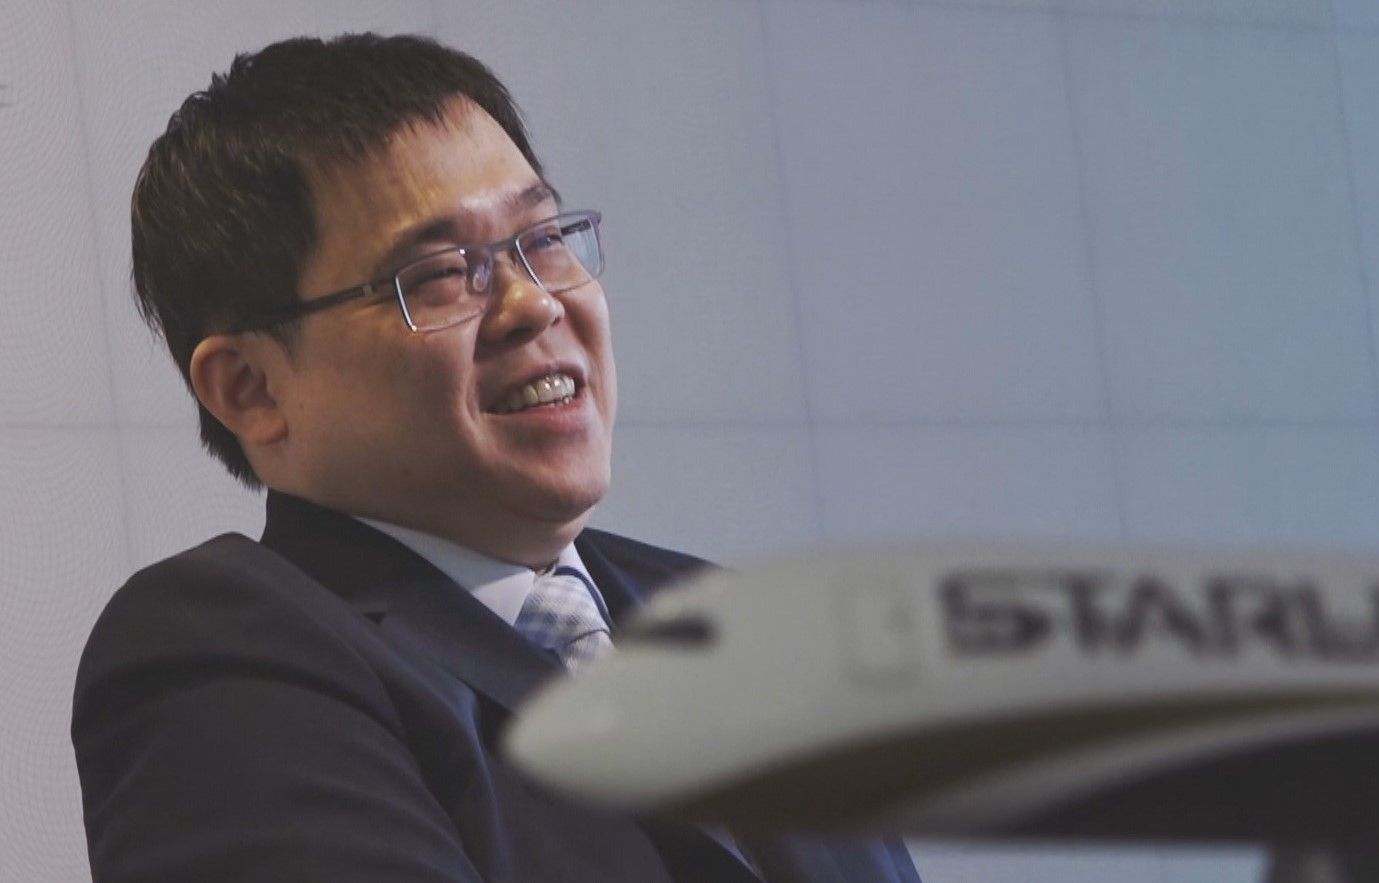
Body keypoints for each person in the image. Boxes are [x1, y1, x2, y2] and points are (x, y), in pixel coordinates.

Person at [72, 33, 920, 883]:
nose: (533, 302)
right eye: (440, 272)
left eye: (543, 238)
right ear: (251, 387)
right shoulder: (224, 650)